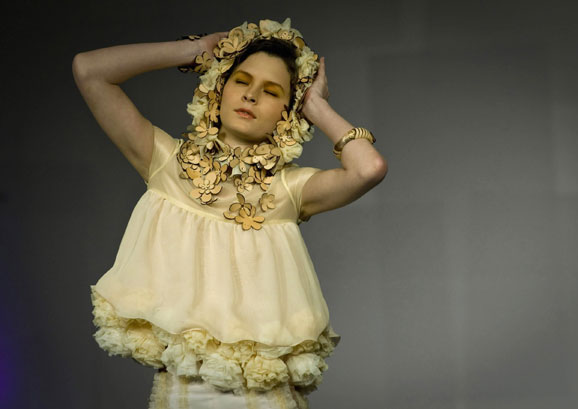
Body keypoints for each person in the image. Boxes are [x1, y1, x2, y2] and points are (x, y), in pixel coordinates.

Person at [73, 18, 387, 409]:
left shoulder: (288, 190)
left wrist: (317, 107)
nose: (251, 96)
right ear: (219, 87)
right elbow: (89, 71)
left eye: (272, 92)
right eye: (241, 80)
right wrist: (193, 51)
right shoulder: (167, 164)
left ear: (287, 112)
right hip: (184, 392)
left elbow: (368, 169)